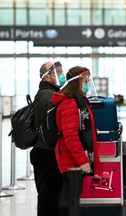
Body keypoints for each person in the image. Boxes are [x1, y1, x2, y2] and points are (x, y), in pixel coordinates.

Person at [51, 66, 100, 216]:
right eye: (85, 81)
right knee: (69, 202)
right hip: (70, 160)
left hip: (72, 159)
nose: (87, 84)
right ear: (77, 82)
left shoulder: (78, 102)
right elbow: (70, 136)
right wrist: (83, 160)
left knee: (71, 199)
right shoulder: (70, 104)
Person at [30, 61, 66, 216]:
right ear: (47, 77)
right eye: (57, 72)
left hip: (45, 152)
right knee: (49, 197)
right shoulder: (49, 95)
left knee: (50, 196)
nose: (61, 75)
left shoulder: (50, 93)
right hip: (47, 153)